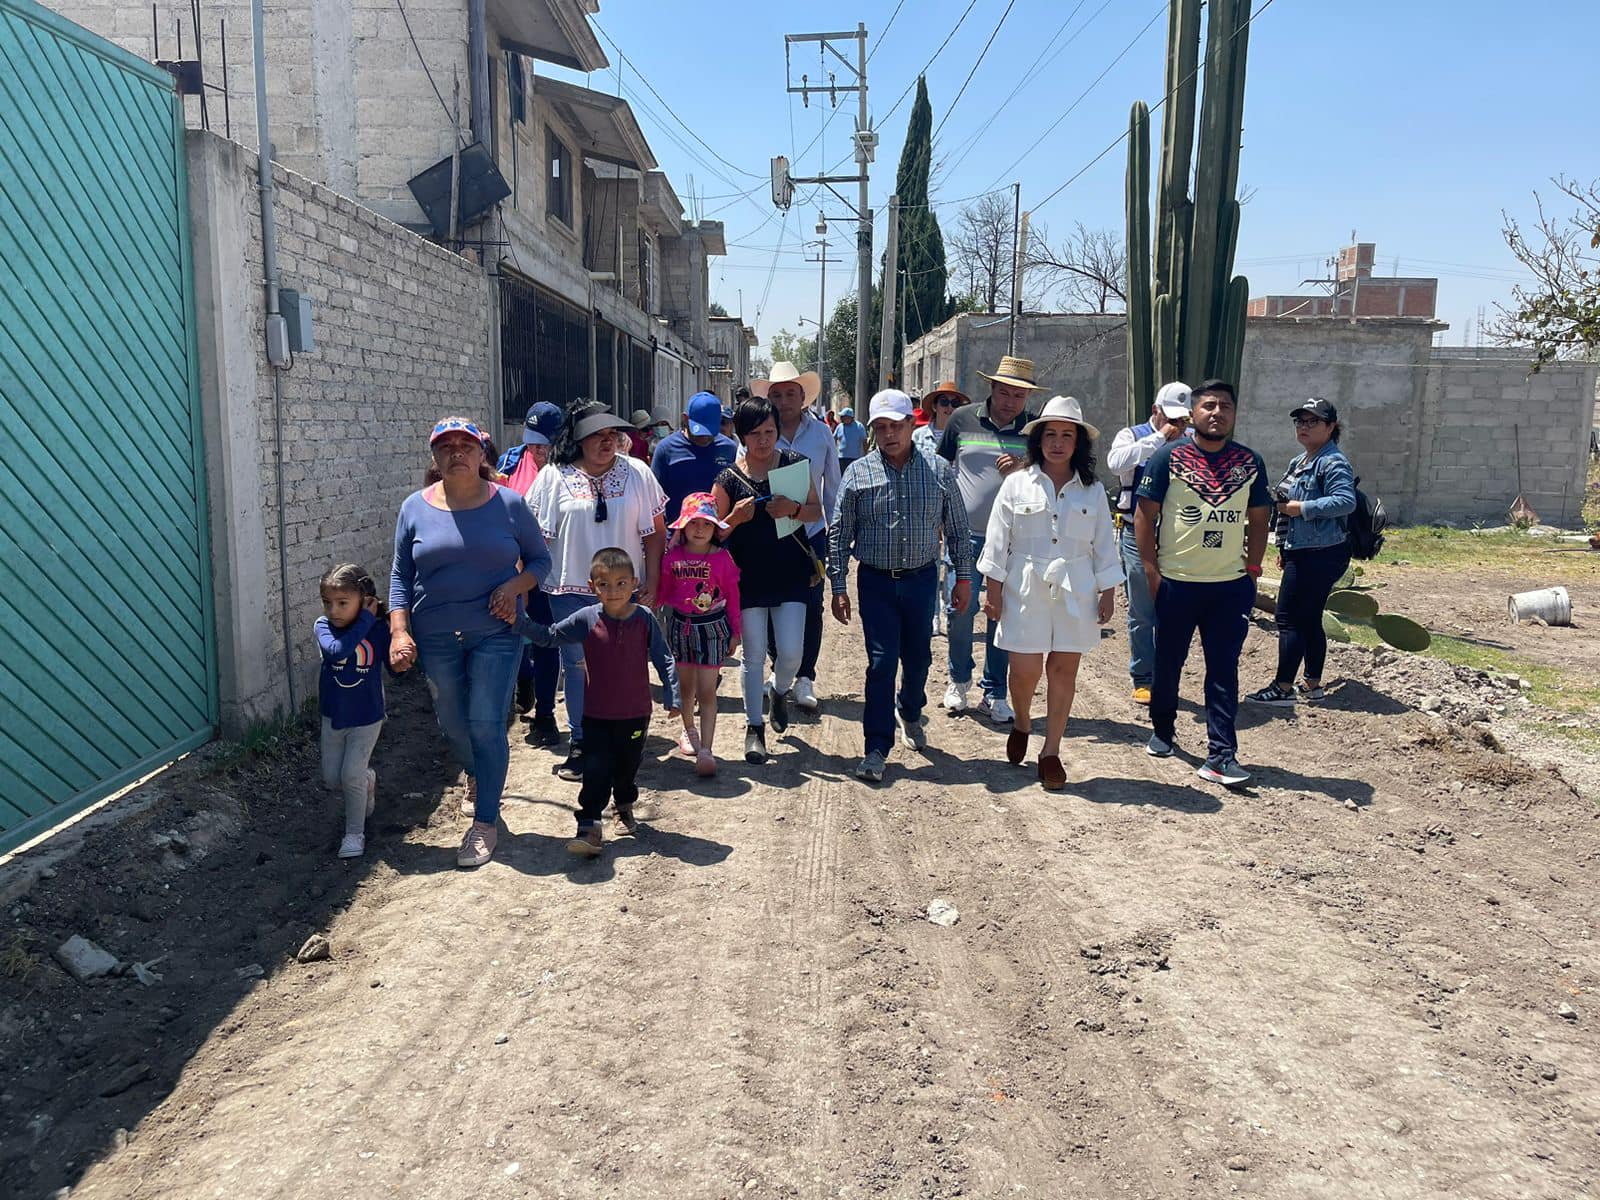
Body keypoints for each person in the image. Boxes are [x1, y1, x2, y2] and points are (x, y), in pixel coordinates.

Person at [389, 417, 553, 867]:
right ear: (435, 457)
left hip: (497, 633)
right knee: (453, 724)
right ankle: (480, 776)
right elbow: (400, 575)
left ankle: (484, 822)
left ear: (483, 455)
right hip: (436, 635)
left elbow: (541, 562)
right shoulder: (413, 508)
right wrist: (399, 630)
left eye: (466, 445)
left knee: (484, 723)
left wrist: (514, 587)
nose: (456, 453)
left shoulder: (511, 505)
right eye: (446, 447)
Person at [829, 390, 974, 783]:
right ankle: (876, 747)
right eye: (881, 428)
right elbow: (840, 533)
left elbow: (958, 531)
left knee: (919, 658)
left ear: (913, 425)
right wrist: (838, 586)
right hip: (876, 581)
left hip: (921, 580)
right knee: (880, 663)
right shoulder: (858, 474)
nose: (890, 434)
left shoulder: (939, 471)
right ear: (872, 431)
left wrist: (963, 578)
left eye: (897, 426)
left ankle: (910, 710)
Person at [978, 398, 1122, 791]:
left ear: (1078, 443)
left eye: (1067, 435)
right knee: (1023, 672)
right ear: (1039, 439)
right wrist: (992, 591)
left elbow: (1104, 545)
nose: (1058, 443)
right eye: (1051, 434)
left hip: (1076, 586)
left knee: (1063, 670)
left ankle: (1051, 751)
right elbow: (996, 541)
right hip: (1024, 584)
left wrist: (1108, 590)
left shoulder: (1092, 492)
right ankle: (1023, 720)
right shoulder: (1016, 483)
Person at [1135, 379, 1271, 788]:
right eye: (1209, 405)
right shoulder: (1168, 458)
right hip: (1177, 583)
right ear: (1193, 414)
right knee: (1168, 663)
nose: (1217, 412)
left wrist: (1252, 570)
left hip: (1229, 587)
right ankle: (1163, 730)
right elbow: (1145, 515)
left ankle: (1221, 754)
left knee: (1223, 669)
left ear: (1233, 414)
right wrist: (1151, 570)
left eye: (1225, 406)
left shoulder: (1250, 462)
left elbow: (1261, 517)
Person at [526, 401, 668, 781]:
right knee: (577, 665)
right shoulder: (553, 477)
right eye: (597, 436)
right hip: (569, 588)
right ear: (578, 438)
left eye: (611, 435)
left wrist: (652, 579)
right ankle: (582, 742)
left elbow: (655, 532)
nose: (606, 443)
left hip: (624, 591)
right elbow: (534, 537)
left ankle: (624, 737)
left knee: (625, 664)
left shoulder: (637, 472)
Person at [518, 547, 680, 857]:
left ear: (634, 583)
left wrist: (672, 693)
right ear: (592, 587)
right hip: (595, 715)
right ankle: (589, 825)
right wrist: (520, 622)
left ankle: (623, 803)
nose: (614, 591)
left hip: (635, 714)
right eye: (604, 584)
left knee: (626, 767)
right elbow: (551, 636)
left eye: (621, 583)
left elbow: (664, 659)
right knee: (594, 770)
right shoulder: (585, 618)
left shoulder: (644, 619)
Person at [713, 397, 823, 764]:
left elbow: (815, 510)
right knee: (753, 655)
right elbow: (713, 535)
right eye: (756, 434)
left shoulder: (793, 465)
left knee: (791, 653)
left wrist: (791, 509)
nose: (764, 441)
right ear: (742, 436)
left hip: (790, 572)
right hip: (746, 578)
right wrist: (736, 519)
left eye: (770, 432)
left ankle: (779, 690)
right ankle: (754, 727)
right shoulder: (729, 478)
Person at [937, 355, 1042, 725]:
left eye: (1019, 395)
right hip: (965, 535)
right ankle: (959, 679)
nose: (1012, 401)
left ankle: (994, 691)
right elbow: (942, 471)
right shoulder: (961, 420)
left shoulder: (1035, 430)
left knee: (1003, 615)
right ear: (992, 390)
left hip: (1016, 539)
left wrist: (1023, 468)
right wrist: (939, 520)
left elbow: (1048, 479)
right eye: (1006, 392)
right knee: (960, 609)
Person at [1246, 398, 1357, 708]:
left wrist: (1302, 508)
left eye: (1313, 422)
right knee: (1308, 618)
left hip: (1321, 552)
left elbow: (1345, 501)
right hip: (1302, 550)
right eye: (1300, 422)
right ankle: (1311, 683)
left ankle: (1283, 687)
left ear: (1331, 427)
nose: (1304, 427)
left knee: (1289, 616)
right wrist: (1284, 547)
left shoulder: (1332, 462)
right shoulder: (1302, 461)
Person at [753, 360, 842, 715]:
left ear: (803, 397)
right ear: (769, 398)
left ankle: (805, 676)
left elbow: (832, 486)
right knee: (772, 603)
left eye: (791, 393)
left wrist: (835, 532)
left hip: (811, 535)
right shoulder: (757, 432)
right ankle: (779, 671)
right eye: (778, 394)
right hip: (770, 535)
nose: (785, 400)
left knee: (811, 605)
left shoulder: (820, 434)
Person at [1105, 382, 1192, 705]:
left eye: (1183, 420)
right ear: (1156, 411)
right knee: (1142, 610)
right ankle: (1143, 677)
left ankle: (1167, 675)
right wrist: (1159, 440)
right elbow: (1117, 463)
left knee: (1174, 610)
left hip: (1177, 535)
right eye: (1173, 418)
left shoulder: (1190, 443)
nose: (1179, 426)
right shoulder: (1133, 435)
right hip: (1135, 533)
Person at [657, 493, 742, 776]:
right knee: (685, 688)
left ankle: (706, 749)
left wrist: (735, 632)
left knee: (707, 690)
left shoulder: (723, 559)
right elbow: (663, 592)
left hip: (713, 629)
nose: (699, 529)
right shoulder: (672, 558)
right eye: (693, 523)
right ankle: (688, 730)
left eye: (706, 524)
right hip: (680, 627)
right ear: (683, 526)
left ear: (715, 528)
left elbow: (733, 596)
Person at [499, 402, 565, 744]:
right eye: (532, 442)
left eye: (544, 443)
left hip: (550, 571)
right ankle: (525, 680)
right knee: (514, 634)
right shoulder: (509, 464)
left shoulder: (567, 469)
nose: (537, 449)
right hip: (513, 571)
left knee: (545, 638)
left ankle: (546, 715)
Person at [316, 563, 389, 858]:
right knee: (332, 779)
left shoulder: (378, 630)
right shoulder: (323, 627)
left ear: (364, 598)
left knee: (349, 775)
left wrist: (403, 656)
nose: (334, 610)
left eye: (343, 603)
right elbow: (338, 651)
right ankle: (367, 780)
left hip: (367, 716)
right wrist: (366, 619)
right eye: (328, 602)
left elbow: (394, 669)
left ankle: (354, 834)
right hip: (333, 715)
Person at [651, 391, 739, 525]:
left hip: (718, 539)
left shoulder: (729, 449)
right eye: (700, 431)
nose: (705, 437)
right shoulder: (666, 450)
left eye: (710, 431)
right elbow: (654, 501)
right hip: (677, 538)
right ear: (685, 419)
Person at [914, 380, 965, 459]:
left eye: (955, 403)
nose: (949, 407)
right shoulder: (919, 436)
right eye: (944, 402)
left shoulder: (965, 436)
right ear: (934, 406)